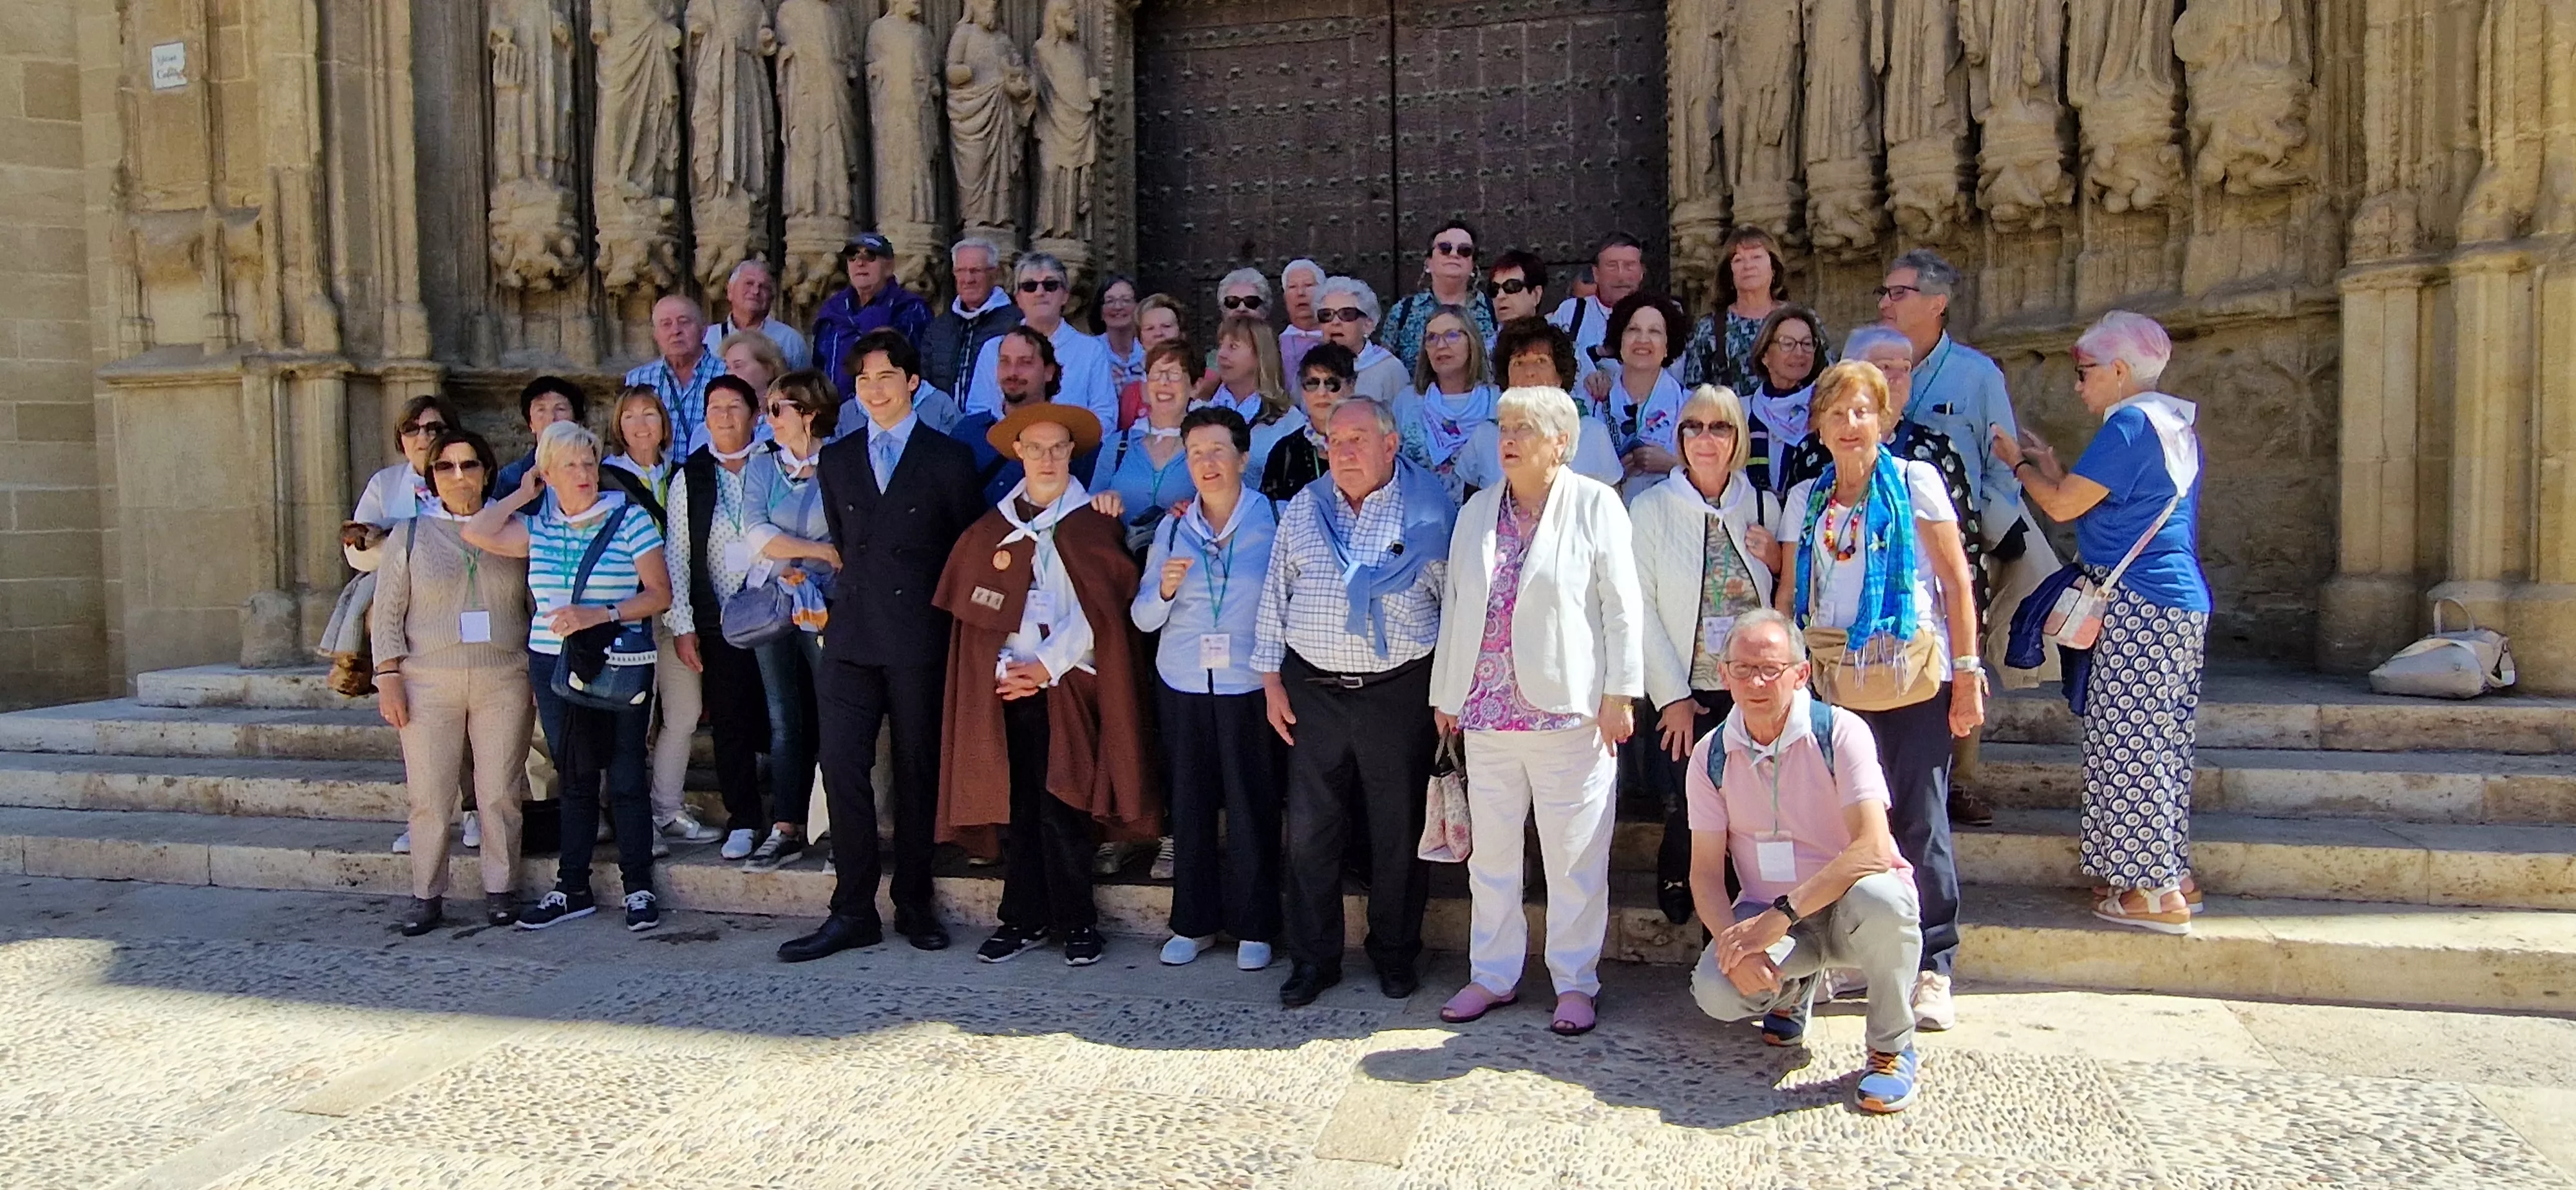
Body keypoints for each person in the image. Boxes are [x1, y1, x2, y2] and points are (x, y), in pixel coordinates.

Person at [1774, 361, 1984, 1031]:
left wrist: (1968, 673)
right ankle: (1849, 949)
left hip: (1908, 672)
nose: (1849, 424)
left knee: (1919, 817)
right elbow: (1791, 592)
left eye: (1862, 411)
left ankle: (1933, 964)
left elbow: (1954, 581)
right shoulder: (1806, 498)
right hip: (1835, 677)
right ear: (1819, 425)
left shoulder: (1916, 482)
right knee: (1841, 822)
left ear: (1885, 420)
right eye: (1836, 412)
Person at [1428, 386, 1643, 1037]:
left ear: (1560, 443)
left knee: (1573, 858)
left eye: (1524, 428)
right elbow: (1456, 605)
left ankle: (1575, 982)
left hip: (1569, 714)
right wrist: (1446, 695)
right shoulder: (1477, 510)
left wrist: (1620, 693)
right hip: (1487, 711)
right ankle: (1492, 974)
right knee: (1491, 858)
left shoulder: (1595, 504)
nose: (1509, 440)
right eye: (1504, 427)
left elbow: (1622, 605)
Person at [1991, 311, 2208, 934]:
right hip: (2174, 601)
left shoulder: (2130, 424)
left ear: (2118, 370)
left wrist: (2018, 466)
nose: (2078, 384)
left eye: (2085, 372)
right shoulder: (2170, 422)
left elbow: (2063, 508)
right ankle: (2169, 875)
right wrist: (2052, 468)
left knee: (2128, 744)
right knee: (2160, 742)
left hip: (2140, 602)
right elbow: (2110, 507)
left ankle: (2150, 894)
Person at [778, 329, 987, 960]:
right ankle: (852, 910)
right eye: (863, 380)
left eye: (886, 377)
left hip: (920, 635)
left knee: (917, 771)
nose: (873, 390)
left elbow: (964, 550)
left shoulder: (948, 458)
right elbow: (847, 544)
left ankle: (916, 903)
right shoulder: (838, 459)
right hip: (852, 634)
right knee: (842, 766)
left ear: (913, 382)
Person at [934, 403, 1159, 967]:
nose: (1047, 458)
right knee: (1017, 807)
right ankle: (1022, 918)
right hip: (1008, 688)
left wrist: (1047, 665)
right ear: (1018, 453)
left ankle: (1078, 920)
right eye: (1035, 448)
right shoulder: (992, 530)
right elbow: (977, 619)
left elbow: (1100, 610)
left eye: (1058, 448)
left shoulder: (1092, 522)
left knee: (1065, 805)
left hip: (1071, 685)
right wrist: (1004, 669)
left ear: (1071, 453)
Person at [1255, 397, 1454, 1007]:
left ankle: (1395, 953)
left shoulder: (1428, 513)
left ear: (1391, 445)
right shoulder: (1304, 508)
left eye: (1358, 439)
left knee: (1397, 831)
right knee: (1311, 833)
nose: (1343, 452)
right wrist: (1270, 681)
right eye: (1334, 441)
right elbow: (1275, 592)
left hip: (1398, 693)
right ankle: (1313, 959)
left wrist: (1449, 694)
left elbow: (1454, 608)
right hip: (1312, 692)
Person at [1687, 610, 1926, 1115]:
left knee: (1886, 901)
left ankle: (1891, 1049)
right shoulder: (1710, 755)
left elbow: (1872, 848)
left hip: (1846, 906)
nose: (1756, 682)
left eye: (1770, 670)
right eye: (1743, 669)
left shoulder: (1840, 732)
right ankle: (1792, 993)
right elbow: (1704, 874)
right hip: (1769, 913)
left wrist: (1783, 915)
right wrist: (1733, 944)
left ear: (1800, 674)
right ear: (1724, 674)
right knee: (1715, 991)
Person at [464, 420, 674, 932]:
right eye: (569, 465)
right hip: (554, 663)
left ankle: (639, 886)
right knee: (574, 777)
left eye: (588, 462)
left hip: (617, 659)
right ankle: (572, 887)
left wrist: (599, 613)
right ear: (548, 473)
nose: (582, 473)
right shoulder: (539, 526)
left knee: (626, 774)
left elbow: (659, 594)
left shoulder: (629, 519)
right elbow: (476, 531)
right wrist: (522, 493)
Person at [1133, 406, 1283, 970]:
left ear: (1243, 457)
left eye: (1218, 450)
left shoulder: (1276, 519)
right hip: (1183, 682)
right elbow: (1143, 617)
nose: (1207, 462)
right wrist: (1165, 591)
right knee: (1190, 806)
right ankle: (1192, 924)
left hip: (1250, 682)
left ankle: (1255, 926)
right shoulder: (1173, 528)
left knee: (1252, 805)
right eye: (1196, 453)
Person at [1631, 384, 1781, 924]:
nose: (1704, 438)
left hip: (1752, 687)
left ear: (1737, 438)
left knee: (1747, 798)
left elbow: (1786, 596)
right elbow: (1640, 608)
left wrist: (1778, 560)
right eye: (1692, 427)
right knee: (1691, 798)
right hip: (1686, 686)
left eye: (1719, 427)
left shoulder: (1762, 505)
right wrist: (1671, 696)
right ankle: (1681, 868)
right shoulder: (1650, 508)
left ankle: (1735, 896)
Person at [371, 427, 530, 933]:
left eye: (469, 464)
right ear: (431, 477)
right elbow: (387, 612)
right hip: (428, 680)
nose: (458, 475)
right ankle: (426, 893)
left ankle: (501, 888)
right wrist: (387, 674)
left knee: (500, 792)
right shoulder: (410, 535)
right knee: (431, 795)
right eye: (445, 466)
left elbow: (537, 601)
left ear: (487, 472)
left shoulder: (514, 530)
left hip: (503, 675)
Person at [659, 375, 774, 862]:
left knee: (786, 718)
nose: (724, 416)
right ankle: (743, 818)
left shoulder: (775, 462)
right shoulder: (692, 476)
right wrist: (683, 625)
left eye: (735, 406)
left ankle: (790, 818)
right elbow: (678, 554)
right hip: (721, 620)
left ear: (755, 414)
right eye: (715, 408)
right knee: (729, 722)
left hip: (779, 614)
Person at [339, 394, 460, 855]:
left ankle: (472, 811)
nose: (424, 438)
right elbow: (358, 553)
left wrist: (394, 541)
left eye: (434, 429)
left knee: (470, 724)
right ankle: (426, 819)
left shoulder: (463, 472)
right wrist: (396, 544)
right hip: (407, 618)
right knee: (419, 729)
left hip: (458, 609)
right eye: (413, 429)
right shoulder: (386, 484)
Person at [602, 385, 720, 850]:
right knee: (634, 718)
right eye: (630, 415)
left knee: (685, 712)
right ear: (619, 425)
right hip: (630, 612)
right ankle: (631, 819)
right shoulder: (606, 478)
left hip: (677, 612)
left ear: (664, 422)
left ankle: (667, 809)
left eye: (649, 413)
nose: (641, 424)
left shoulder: (684, 474)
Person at [735, 370, 842, 872]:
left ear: (810, 413)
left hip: (829, 605)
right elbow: (757, 534)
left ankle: (841, 827)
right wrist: (820, 552)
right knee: (783, 718)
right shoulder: (761, 466)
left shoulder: (841, 462)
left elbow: (849, 532)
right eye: (768, 409)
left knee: (837, 715)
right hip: (775, 601)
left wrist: (812, 555)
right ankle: (787, 827)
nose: (769, 418)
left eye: (779, 409)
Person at [1877, 249, 2023, 540]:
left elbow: (2003, 468)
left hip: (1958, 539)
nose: (1883, 304)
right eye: (1883, 293)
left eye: (1898, 294)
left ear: (1937, 305)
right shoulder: (1867, 367)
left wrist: (1980, 532)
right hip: (1882, 535)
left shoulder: (1978, 374)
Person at [963, 252, 1119, 435]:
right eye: (1030, 286)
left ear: (1065, 296)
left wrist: (1063, 442)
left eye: (1050, 285)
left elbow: (1105, 416)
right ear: (1018, 298)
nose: (1040, 292)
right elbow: (978, 413)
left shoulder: (1091, 351)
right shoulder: (993, 350)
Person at [958, 326, 1104, 504]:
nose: (1013, 372)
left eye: (1025, 362)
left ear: (1049, 372)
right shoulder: (967, 433)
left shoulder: (1077, 443)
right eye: (1005, 362)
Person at [1472, 318, 1623, 490]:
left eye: (1541, 361)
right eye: (1519, 363)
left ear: (1560, 375)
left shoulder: (1592, 432)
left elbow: (1613, 500)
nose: (1530, 372)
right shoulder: (1485, 436)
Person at [1392, 304, 1497, 501]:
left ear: (1471, 342)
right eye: (1432, 338)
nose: (1441, 345)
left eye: (1452, 335)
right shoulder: (1406, 402)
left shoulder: (1497, 402)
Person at [1100, 339, 1200, 543]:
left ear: (1195, 387)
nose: (1163, 382)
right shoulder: (1117, 445)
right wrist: (1103, 501)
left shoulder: (1206, 447)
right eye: (1155, 374)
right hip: (1118, 558)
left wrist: (1197, 510)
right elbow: (1088, 510)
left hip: (1182, 557)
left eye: (1174, 374)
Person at [810, 232, 930, 397]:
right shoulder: (832, 310)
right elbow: (819, 368)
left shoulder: (911, 308)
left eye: (870, 256)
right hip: (836, 409)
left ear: (889, 267)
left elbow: (923, 369)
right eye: (853, 257)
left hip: (889, 406)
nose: (860, 263)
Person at [1680, 226, 1793, 396]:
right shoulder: (1709, 328)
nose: (1748, 266)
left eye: (1756, 257)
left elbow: (1825, 383)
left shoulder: (1801, 321)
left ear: (1774, 268)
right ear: (1729, 273)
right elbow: (1693, 392)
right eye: (1739, 260)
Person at [1600, 292, 1692, 498]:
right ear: (1619, 340)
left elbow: (1718, 480)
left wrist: (1673, 466)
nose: (1643, 339)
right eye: (1633, 330)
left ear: (1668, 346)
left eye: (1655, 331)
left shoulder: (1693, 407)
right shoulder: (1593, 403)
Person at [1379, 220, 1497, 373]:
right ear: (1429, 262)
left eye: (1465, 250)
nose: (1454, 254)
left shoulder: (1493, 311)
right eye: (1445, 248)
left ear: (1473, 265)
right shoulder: (1403, 312)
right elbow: (1385, 371)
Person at [919, 237, 1023, 408]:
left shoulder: (1018, 324)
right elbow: (925, 386)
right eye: (961, 271)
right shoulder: (938, 328)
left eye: (976, 271)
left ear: (994, 274)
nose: (968, 279)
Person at [1739, 305, 1830, 495]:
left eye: (1807, 344)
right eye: (1788, 343)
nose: (1799, 353)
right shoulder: (1742, 411)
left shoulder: (1827, 408)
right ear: (1765, 355)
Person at [625, 295, 727, 457]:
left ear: (704, 330)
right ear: (655, 334)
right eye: (666, 324)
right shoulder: (638, 379)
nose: (676, 331)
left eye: (684, 322)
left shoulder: (727, 374)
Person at [1209, 315, 1301, 493]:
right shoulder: (1201, 411)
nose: (1221, 354)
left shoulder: (1289, 422)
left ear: (1260, 355)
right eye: (1221, 345)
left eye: (1233, 347)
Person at [1548, 231, 1647, 376]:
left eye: (1629, 266)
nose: (1621, 276)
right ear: (1596, 273)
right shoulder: (1571, 312)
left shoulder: (1659, 317)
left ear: (1642, 273)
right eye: (1612, 266)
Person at [1261, 343, 1351, 503]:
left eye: (1332, 383)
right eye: (1312, 384)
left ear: (1351, 386)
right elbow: (1270, 512)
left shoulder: (1370, 445)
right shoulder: (1284, 452)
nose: (1321, 393)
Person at [702, 259, 816, 374]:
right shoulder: (708, 338)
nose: (756, 291)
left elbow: (804, 384)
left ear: (771, 298)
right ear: (730, 291)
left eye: (764, 287)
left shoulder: (790, 341)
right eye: (749, 283)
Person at [1316, 276, 1408, 405]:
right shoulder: (1312, 367)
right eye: (1326, 315)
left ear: (1368, 324)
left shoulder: (1390, 369)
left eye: (1347, 314)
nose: (1335, 322)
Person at [498, 377, 587, 491]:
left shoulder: (600, 475)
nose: (551, 418)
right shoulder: (510, 479)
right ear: (531, 423)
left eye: (560, 409)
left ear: (576, 421)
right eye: (541, 409)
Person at [1115, 292, 1187, 430]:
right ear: (1140, 338)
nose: (1158, 333)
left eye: (1166, 326)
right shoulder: (1130, 394)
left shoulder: (1206, 382)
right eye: (1150, 329)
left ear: (1181, 332)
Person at [1484, 250, 1548, 352]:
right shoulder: (1482, 353)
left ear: (1536, 294)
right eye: (1494, 289)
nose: (1500, 296)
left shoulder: (1556, 347)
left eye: (1512, 286)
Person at [1095, 275, 1146, 395]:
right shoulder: (1089, 351)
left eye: (1126, 300)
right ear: (1100, 311)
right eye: (1110, 301)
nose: (1118, 307)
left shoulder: (1149, 350)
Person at [1278, 258, 1327, 379]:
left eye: (1308, 285)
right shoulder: (1273, 345)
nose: (1300, 293)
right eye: (1292, 287)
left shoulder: (1338, 340)